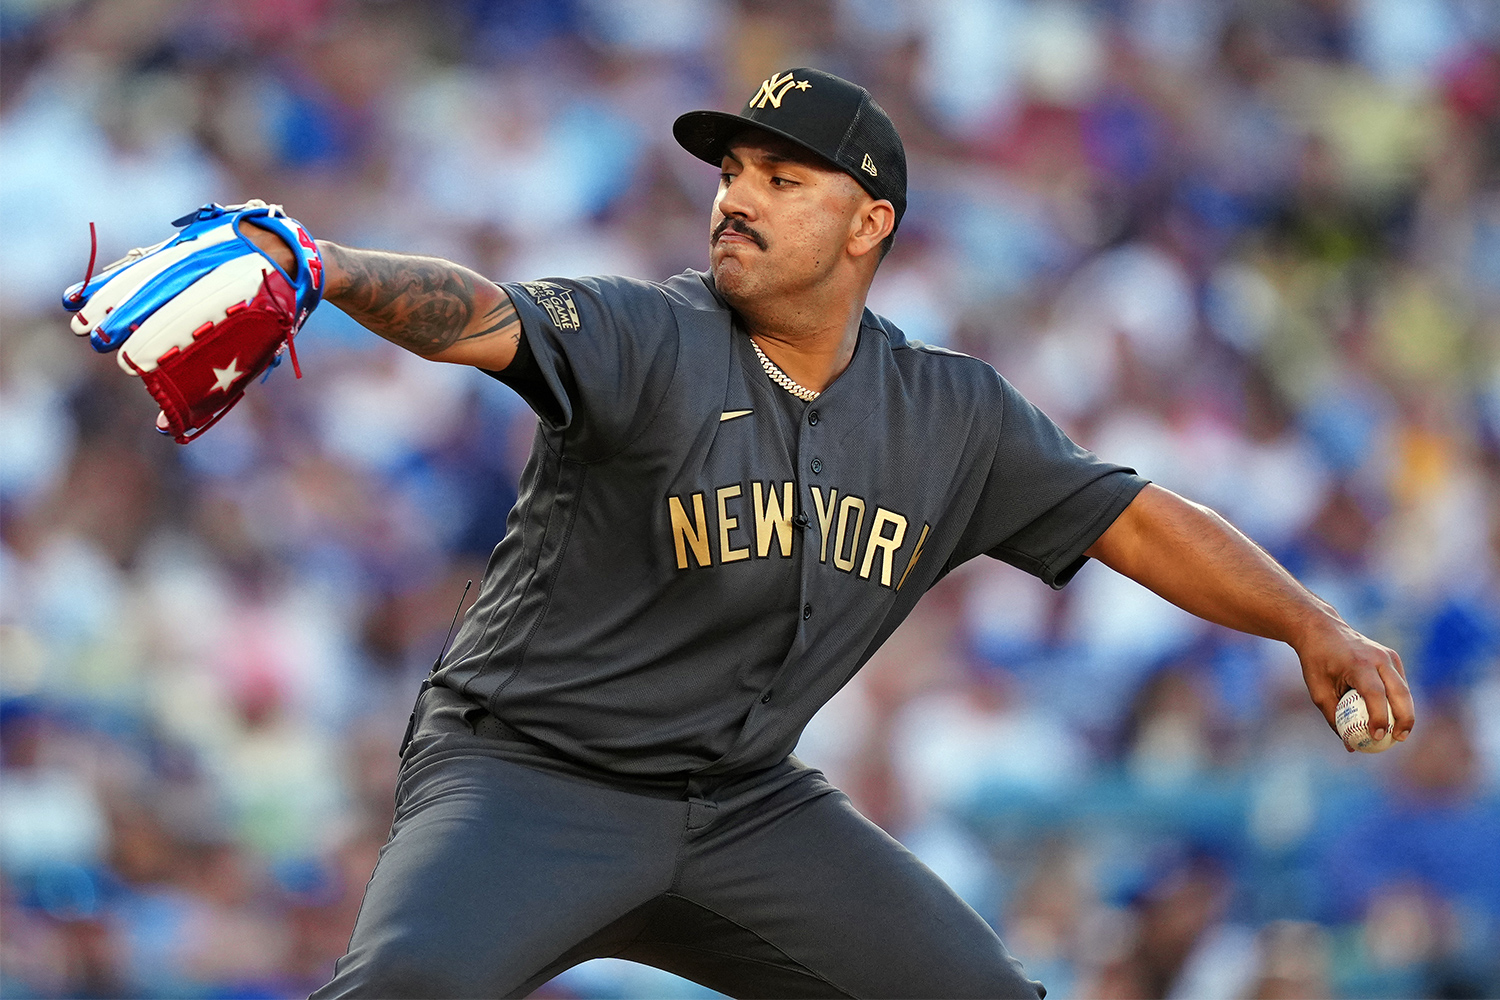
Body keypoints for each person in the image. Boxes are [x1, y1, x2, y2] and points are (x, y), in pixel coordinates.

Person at [243, 68, 1413, 999]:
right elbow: (481, 318)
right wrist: (329, 267)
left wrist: (1309, 624)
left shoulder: (950, 415)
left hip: (747, 804)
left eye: (783, 178)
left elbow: (1136, 520)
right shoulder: (648, 332)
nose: (736, 195)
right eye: (733, 171)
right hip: (527, 774)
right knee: (409, 984)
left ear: (870, 223)